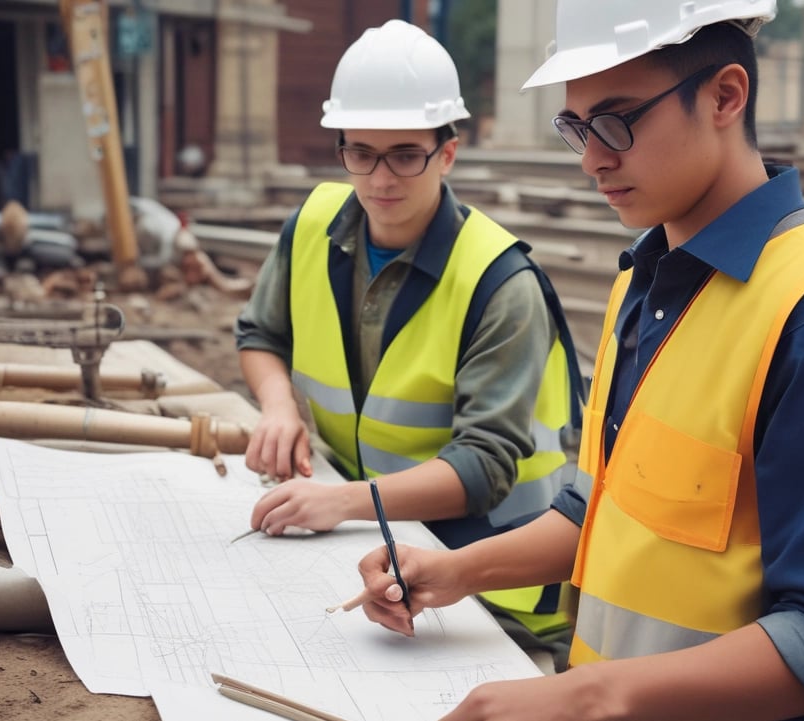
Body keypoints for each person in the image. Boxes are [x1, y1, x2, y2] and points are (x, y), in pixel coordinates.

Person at [355, 2, 804, 720]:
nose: (593, 159)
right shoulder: (644, 282)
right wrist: (453, 570)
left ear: (725, 96)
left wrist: (585, 698)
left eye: (617, 120)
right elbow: (606, 508)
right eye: (577, 128)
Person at [233, 19, 583, 653]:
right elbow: (260, 332)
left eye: (404, 154)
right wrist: (279, 407)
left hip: (497, 587)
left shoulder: (499, 283)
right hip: (382, 552)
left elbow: (484, 467)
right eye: (361, 153)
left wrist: (342, 502)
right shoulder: (311, 226)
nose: (380, 179)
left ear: (447, 153)